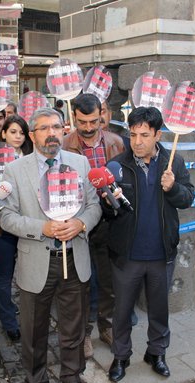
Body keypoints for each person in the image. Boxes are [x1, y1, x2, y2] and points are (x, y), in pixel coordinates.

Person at [0, 108, 101, 383]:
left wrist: (81, 224)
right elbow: (5, 216)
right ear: (32, 135)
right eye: (44, 128)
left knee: (73, 326)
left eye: (56, 126)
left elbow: (94, 207)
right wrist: (40, 228)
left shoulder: (80, 163)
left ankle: (72, 376)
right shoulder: (15, 170)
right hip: (37, 260)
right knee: (33, 330)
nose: (51, 133)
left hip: (74, 257)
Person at [104, 106, 194, 382]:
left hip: (161, 253)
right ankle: (121, 357)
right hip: (127, 254)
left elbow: (188, 198)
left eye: (144, 134)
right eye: (133, 135)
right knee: (122, 311)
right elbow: (107, 214)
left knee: (159, 309)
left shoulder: (174, 163)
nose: (137, 141)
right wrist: (109, 201)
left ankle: (157, 353)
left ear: (158, 134)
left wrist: (173, 188)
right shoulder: (118, 165)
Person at [63, 93, 125, 358]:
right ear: (73, 117)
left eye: (93, 121)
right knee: (82, 281)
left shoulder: (116, 142)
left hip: (110, 221)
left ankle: (107, 325)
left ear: (102, 115)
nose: (88, 128)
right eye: (82, 122)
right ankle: (84, 332)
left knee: (109, 278)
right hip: (79, 222)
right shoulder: (64, 145)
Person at [0, 115, 33, 342]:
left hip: (27, 224)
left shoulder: (32, 158)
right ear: (3, 133)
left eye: (21, 133)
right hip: (2, 227)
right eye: (13, 132)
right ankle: (8, 320)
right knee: (4, 275)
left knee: (28, 274)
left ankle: (30, 316)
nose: (17, 137)